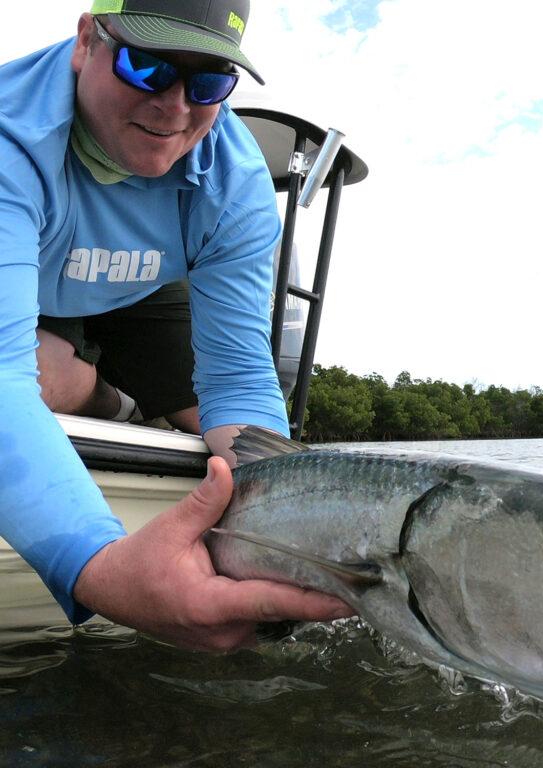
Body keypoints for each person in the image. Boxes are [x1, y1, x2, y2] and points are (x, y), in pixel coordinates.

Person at [0, 0, 352, 651]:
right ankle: (106, 398)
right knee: (44, 377)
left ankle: (132, 406)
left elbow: (242, 378)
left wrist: (288, 540)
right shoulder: (8, 133)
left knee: (208, 423)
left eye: (209, 82)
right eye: (147, 67)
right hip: (23, 271)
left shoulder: (234, 176)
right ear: (86, 40)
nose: (175, 108)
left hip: (141, 283)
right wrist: (100, 569)